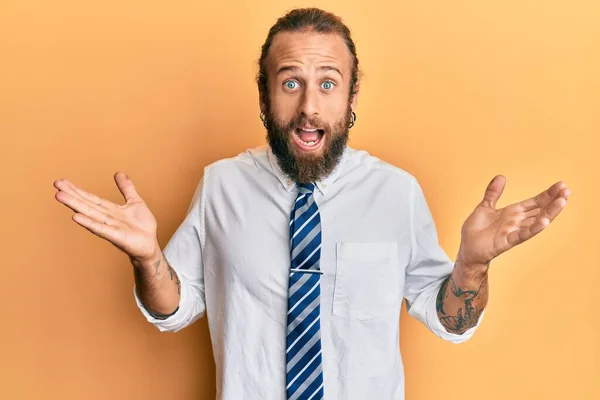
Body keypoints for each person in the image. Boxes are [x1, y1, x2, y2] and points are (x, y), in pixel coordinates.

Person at [53, 7, 571, 400]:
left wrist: (474, 266)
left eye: (328, 83)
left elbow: (449, 322)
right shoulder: (220, 186)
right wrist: (147, 258)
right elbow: (174, 309)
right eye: (290, 83)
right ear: (263, 98)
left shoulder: (397, 193)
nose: (309, 106)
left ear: (350, 100)